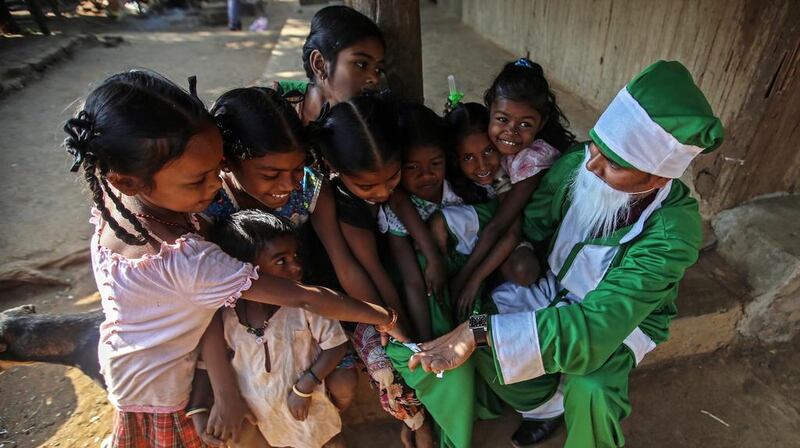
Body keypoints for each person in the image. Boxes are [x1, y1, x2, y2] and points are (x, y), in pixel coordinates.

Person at [63, 70, 405, 447]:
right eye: (199, 180)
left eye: (215, 170)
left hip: (130, 367)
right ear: (126, 179)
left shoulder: (123, 209)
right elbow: (306, 297)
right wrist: (383, 316)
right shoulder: (190, 259)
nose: (213, 186)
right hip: (161, 392)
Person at [407, 60, 724, 448]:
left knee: (591, 388)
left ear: (658, 178)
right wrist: (460, 225)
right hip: (551, 282)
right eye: (596, 146)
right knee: (482, 326)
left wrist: (481, 331)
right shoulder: (580, 163)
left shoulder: (673, 230)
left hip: (617, 320)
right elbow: (531, 221)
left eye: (615, 163)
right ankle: (544, 407)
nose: (591, 165)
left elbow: (597, 325)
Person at [311, 94, 436, 447]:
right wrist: (393, 324)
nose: (382, 191)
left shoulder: (378, 181)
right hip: (348, 301)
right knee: (386, 363)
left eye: (392, 178)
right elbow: (358, 269)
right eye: (368, 186)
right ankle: (416, 422)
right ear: (335, 168)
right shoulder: (332, 197)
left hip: (381, 286)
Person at [190, 210, 349, 448]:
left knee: (330, 441)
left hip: (309, 407)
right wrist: (198, 408)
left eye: (296, 256)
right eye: (281, 261)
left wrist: (305, 386)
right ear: (244, 268)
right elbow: (208, 364)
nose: (296, 267)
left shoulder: (305, 305)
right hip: (263, 416)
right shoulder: (227, 317)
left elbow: (336, 344)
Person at [445, 59, 574, 317]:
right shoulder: (486, 140)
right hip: (503, 224)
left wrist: (468, 279)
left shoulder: (534, 160)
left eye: (525, 124)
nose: (511, 132)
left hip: (539, 237)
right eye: (502, 119)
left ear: (542, 121)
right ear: (489, 109)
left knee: (523, 270)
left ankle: (486, 286)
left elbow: (502, 228)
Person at [273, 5, 385, 124]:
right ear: (319, 64)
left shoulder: (370, 127)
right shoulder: (274, 109)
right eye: (361, 64)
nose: (375, 79)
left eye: (378, 70)